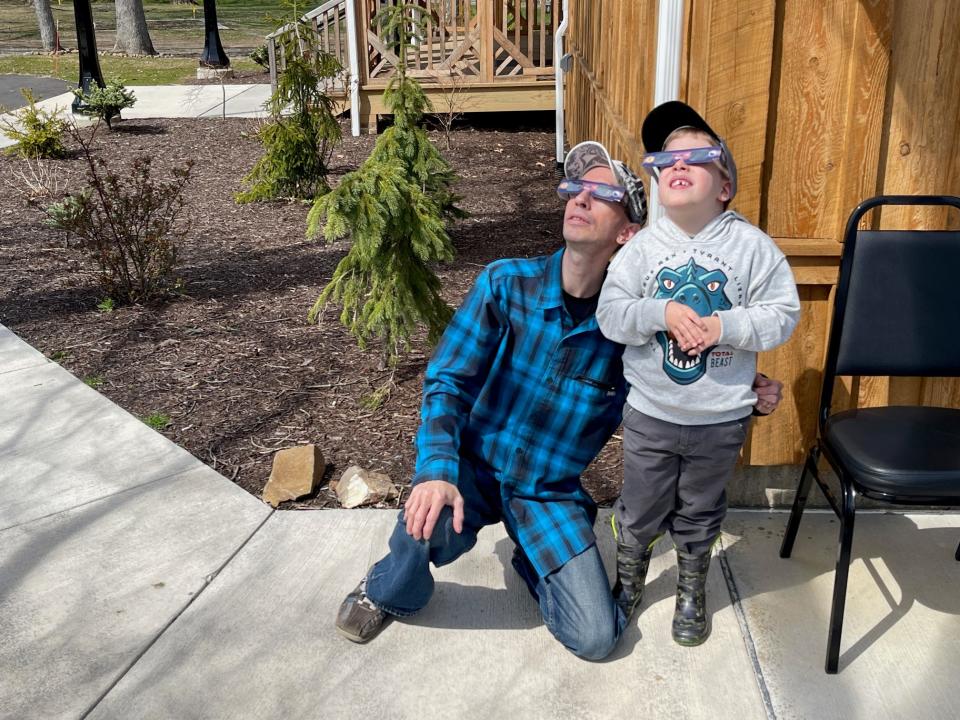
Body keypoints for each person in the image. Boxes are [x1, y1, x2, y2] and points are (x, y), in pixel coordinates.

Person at [335, 138, 785, 660]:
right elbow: (447, 381)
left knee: (597, 636)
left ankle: (534, 553)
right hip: (473, 471)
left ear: (627, 232)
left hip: (545, 492)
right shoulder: (506, 285)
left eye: (601, 193)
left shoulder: (630, 331)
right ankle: (388, 586)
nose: (580, 198)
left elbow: (685, 378)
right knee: (420, 527)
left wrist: (746, 391)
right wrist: (437, 468)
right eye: (575, 187)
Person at [595, 101, 801, 647]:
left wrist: (724, 326)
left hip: (720, 419)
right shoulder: (642, 250)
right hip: (651, 415)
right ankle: (631, 577)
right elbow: (611, 313)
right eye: (666, 160)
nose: (678, 165)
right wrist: (658, 312)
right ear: (659, 181)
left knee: (702, 510)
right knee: (638, 510)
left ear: (725, 185)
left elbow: (783, 315)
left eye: (698, 157)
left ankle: (691, 585)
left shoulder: (752, 248)